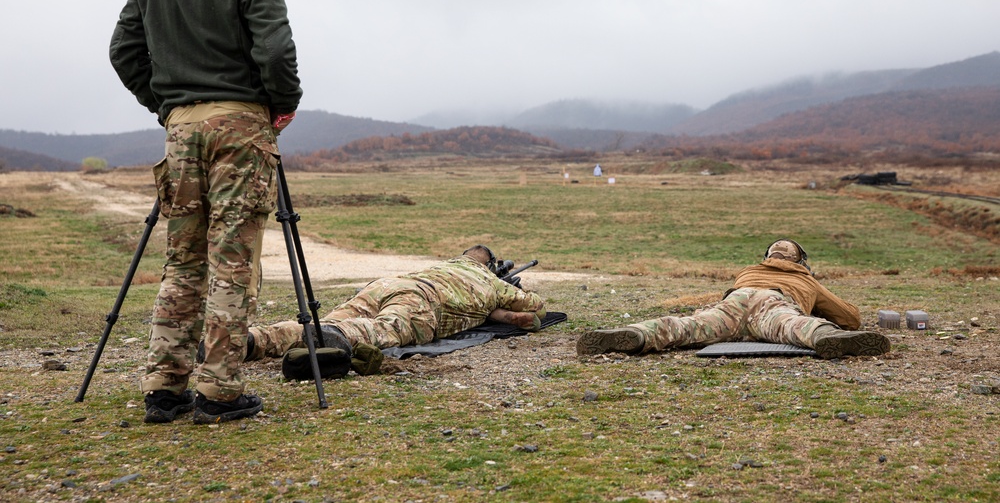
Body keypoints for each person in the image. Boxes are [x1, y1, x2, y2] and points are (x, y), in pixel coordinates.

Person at [109, 0, 302, 424]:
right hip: (241, 128)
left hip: (182, 131)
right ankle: (218, 392)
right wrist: (280, 104)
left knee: (183, 259)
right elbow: (275, 54)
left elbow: (124, 52)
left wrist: (169, 107)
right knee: (232, 260)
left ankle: (164, 388)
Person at [245, 246, 546, 375]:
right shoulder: (489, 281)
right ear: (489, 267)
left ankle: (253, 340)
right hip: (424, 301)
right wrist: (511, 290)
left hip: (388, 285)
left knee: (324, 320)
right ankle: (335, 336)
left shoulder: (448, 264)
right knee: (377, 330)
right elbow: (536, 309)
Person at [577, 239, 890, 360]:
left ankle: (639, 333)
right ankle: (826, 338)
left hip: (734, 301)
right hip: (772, 302)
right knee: (794, 326)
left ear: (767, 256)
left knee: (689, 326)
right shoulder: (805, 278)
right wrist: (818, 296)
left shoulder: (748, 271)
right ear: (800, 260)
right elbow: (850, 318)